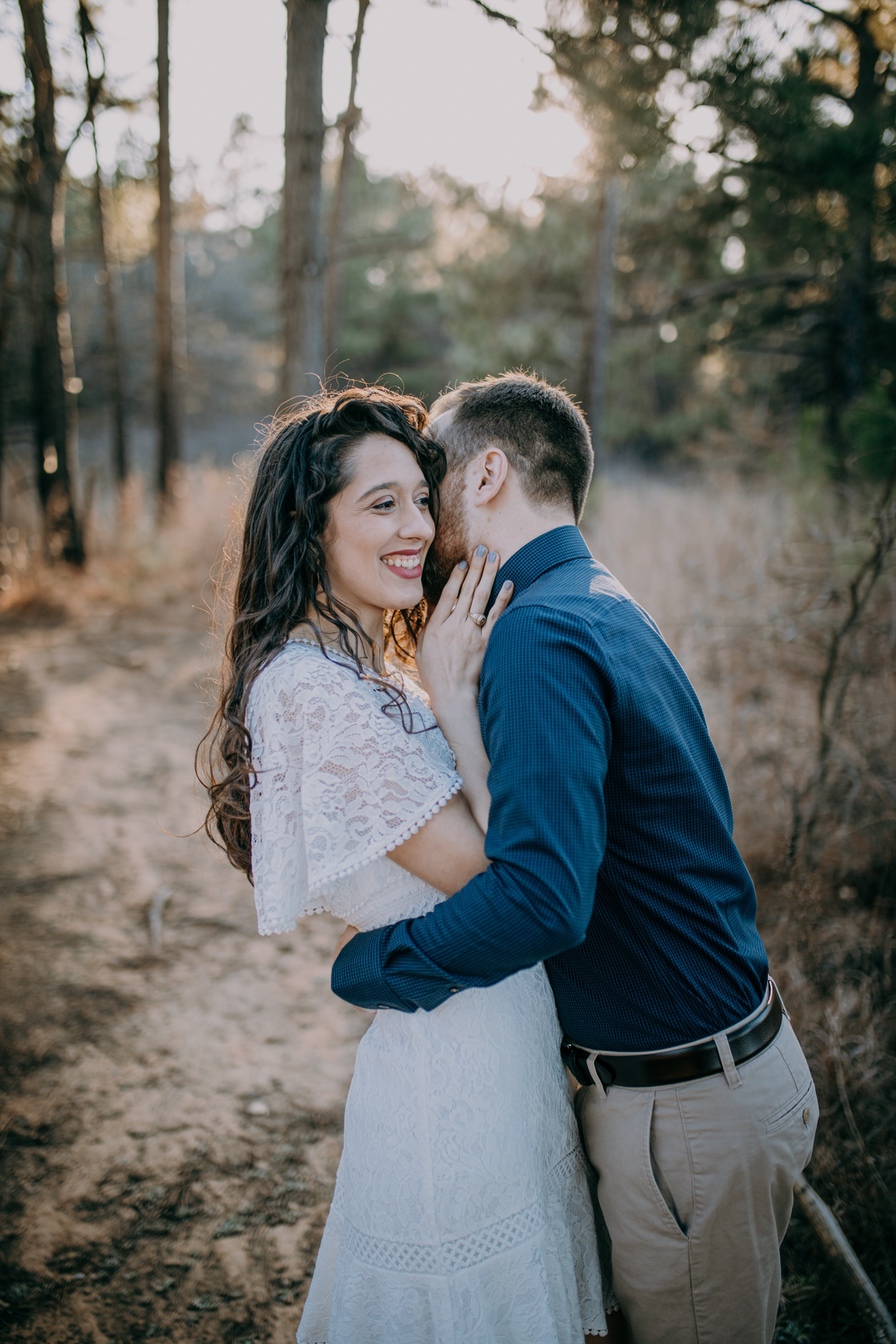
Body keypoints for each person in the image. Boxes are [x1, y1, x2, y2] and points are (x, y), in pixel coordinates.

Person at [332, 373, 820, 1344]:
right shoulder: (595, 596)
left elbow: (542, 898)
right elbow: (550, 840)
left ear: (488, 473)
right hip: (723, 1077)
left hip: (681, 1113)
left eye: (432, 483)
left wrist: (372, 967)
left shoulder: (538, 636)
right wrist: (455, 699)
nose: (423, 521)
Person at [200, 386, 614, 1344]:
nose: (419, 528)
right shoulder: (309, 691)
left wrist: (435, 680)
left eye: (422, 500)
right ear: (311, 526)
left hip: (502, 1048)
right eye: (380, 504)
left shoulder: (372, 675)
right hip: (448, 1079)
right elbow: (497, 873)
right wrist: (457, 696)